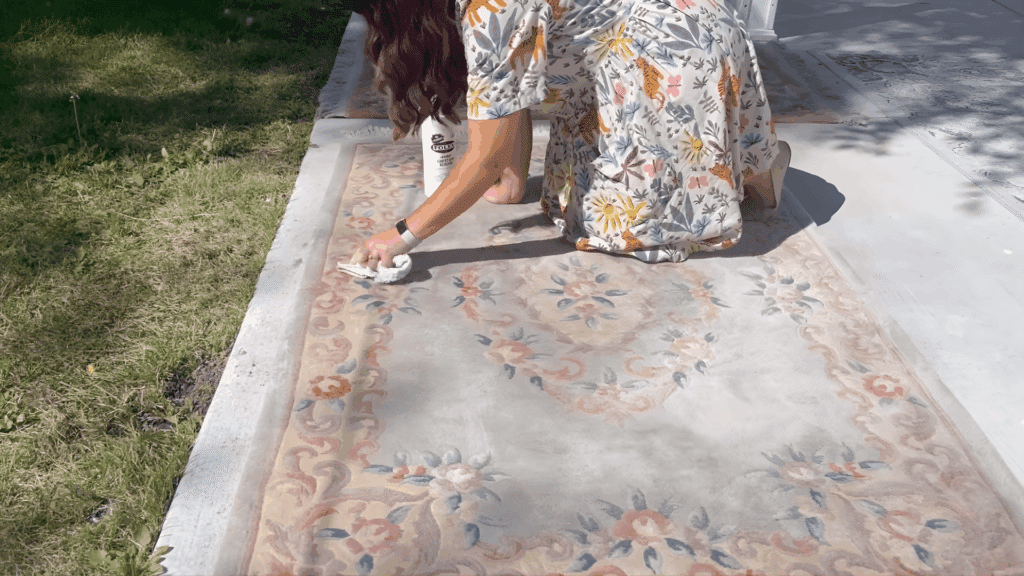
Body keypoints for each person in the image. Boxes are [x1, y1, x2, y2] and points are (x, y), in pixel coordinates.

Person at [349, 0, 791, 270]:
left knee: (626, 230)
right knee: (573, 205)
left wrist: (402, 235)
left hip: (678, 44)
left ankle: (761, 171)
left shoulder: (490, 11)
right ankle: (748, 158)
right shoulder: (486, 12)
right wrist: (512, 183)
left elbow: (483, 160)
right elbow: (511, 90)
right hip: (621, 51)